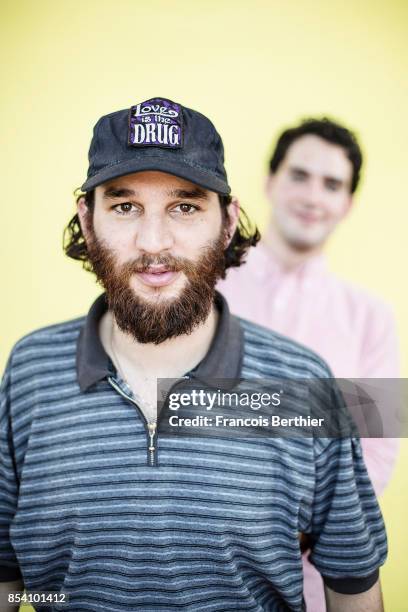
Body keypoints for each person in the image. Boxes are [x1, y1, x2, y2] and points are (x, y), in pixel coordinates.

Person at [0, 99, 387, 611]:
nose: (154, 242)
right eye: (124, 206)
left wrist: (276, 523)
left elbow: (370, 464)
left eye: (185, 206)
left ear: (227, 221)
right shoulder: (29, 370)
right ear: (88, 220)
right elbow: (15, 580)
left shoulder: (360, 325)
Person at [217, 117, 400, 611]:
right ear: (271, 181)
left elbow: (376, 449)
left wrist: (305, 523)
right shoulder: (203, 292)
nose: (313, 196)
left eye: (332, 184)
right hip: (196, 567)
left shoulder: (372, 320)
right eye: (299, 175)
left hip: (316, 588)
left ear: (348, 203)